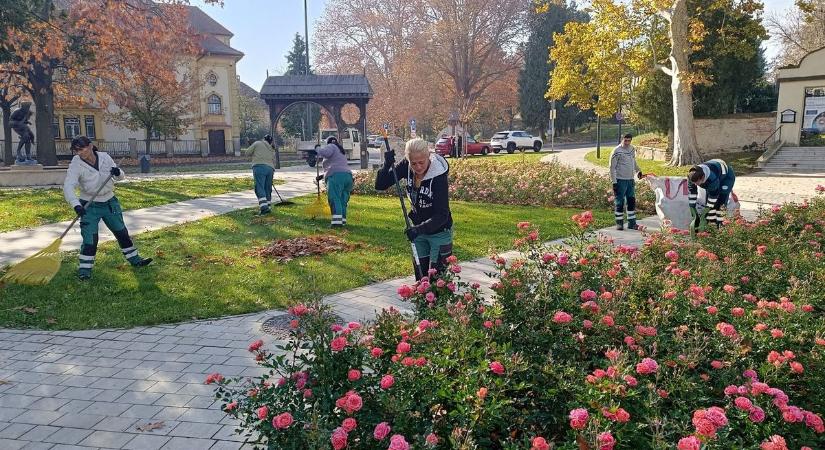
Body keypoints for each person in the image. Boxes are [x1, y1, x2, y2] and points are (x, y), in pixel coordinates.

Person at [63, 136, 152, 280]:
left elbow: (120, 176)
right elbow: (68, 185)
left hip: (110, 202)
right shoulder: (76, 164)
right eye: (77, 150)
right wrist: (76, 204)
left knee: (122, 233)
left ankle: (136, 260)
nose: (80, 152)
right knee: (90, 239)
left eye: (82, 148)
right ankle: (84, 270)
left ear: (90, 146)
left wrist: (118, 173)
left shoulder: (104, 157)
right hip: (89, 205)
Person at [375, 138, 453, 279]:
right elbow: (381, 185)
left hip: (439, 231)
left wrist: (418, 229)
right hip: (418, 231)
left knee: (437, 280)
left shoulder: (439, 176)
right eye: (414, 163)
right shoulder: (407, 165)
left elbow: (442, 214)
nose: (418, 167)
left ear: (428, 156)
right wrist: (386, 165)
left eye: (421, 162)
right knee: (421, 279)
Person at [687, 159, 736, 229]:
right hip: (715, 170)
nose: (695, 184)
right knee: (709, 205)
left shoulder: (712, 179)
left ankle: (720, 225)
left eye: (697, 182)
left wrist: (706, 210)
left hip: (726, 177)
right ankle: (710, 224)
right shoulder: (691, 177)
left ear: (702, 177)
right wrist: (692, 207)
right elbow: (692, 192)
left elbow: (713, 197)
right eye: (694, 183)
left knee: (721, 202)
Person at [316, 136, 353, 227]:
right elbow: (338, 166)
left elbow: (324, 153)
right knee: (342, 201)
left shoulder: (331, 146)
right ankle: (342, 221)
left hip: (336, 177)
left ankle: (336, 223)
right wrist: (322, 176)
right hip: (348, 177)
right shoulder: (341, 151)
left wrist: (317, 148)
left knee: (335, 198)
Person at [609, 133, 643, 230]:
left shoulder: (632, 149)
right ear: (622, 139)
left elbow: (633, 161)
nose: (627, 142)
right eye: (625, 140)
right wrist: (614, 182)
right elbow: (612, 168)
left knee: (631, 201)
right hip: (620, 180)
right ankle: (619, 223)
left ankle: (632, 223)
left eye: (629, 140)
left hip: (630, 180)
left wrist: (638, 170)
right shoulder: (616, 151)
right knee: (619, 202)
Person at [245, 134, 276, 214]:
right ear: (270, 141)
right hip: (270, 169)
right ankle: (268, 206)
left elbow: (247, 153)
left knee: (259, 187)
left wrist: (252, 148)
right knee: (267, 188)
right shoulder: (272, 148)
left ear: (263, 139)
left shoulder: (257, 143)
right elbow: (273, 159)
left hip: (259, 167)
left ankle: (264, 208)